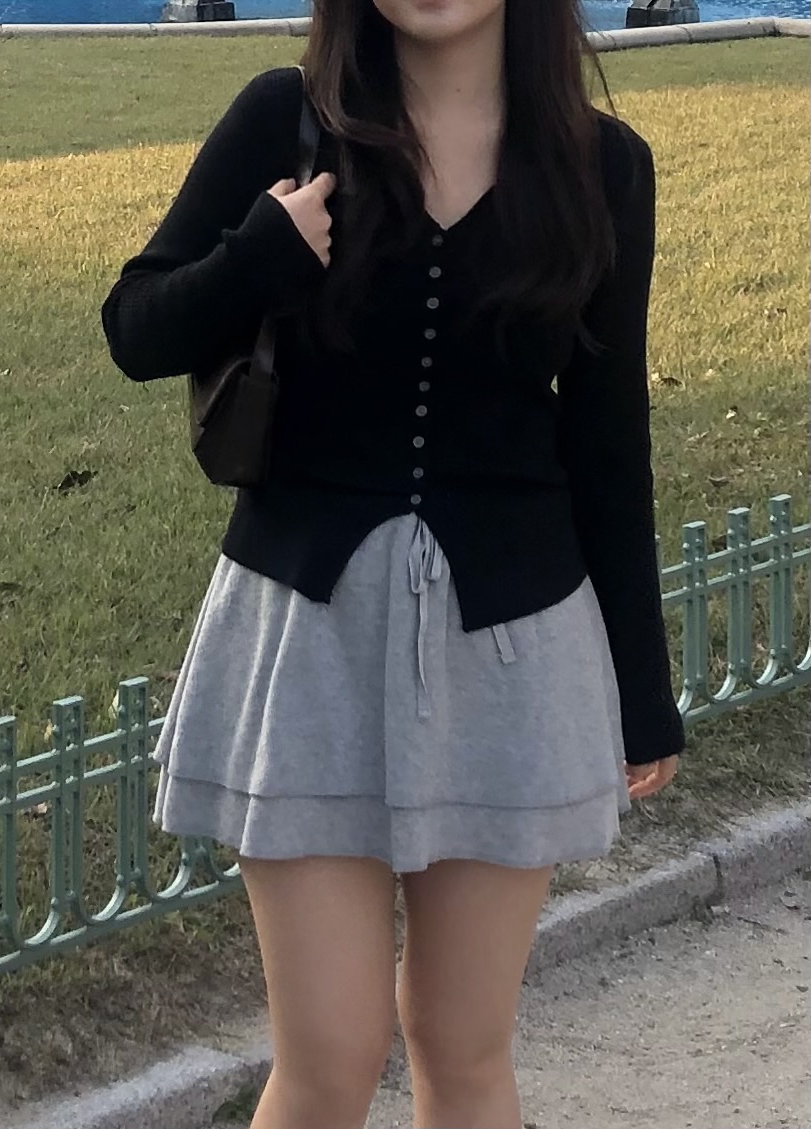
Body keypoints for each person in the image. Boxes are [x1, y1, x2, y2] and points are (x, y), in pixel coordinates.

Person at [100, 0, 685, 1126]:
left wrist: (642, 689)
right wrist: (257, 255)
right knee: (329, 1054)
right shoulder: (286, 118)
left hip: (511, 643)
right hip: (306, 636)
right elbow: (137, 327)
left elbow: (608, 441)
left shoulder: (601, 166)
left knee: (463, 1047)